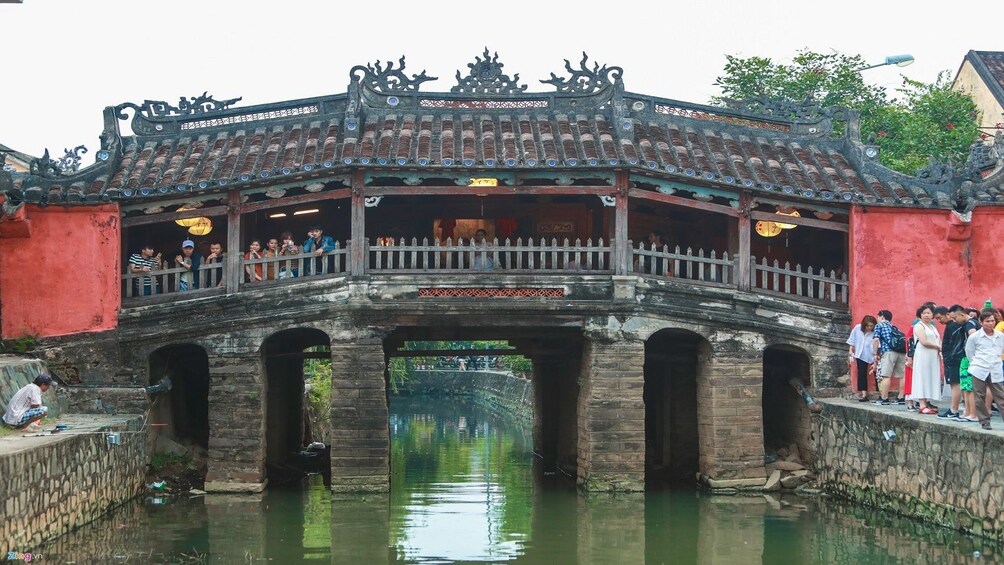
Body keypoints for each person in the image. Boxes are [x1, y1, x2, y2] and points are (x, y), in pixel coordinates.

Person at [964, 310, 1004, 430]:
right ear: (981, 322)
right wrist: (976, 363)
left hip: (995, 367)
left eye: (992, 321)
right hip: (979, 368)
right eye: (987, 321)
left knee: (1001, 395)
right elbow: (969, 352)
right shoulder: (975, 337)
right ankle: (984, 420)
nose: (990, 323)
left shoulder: (1000, 336)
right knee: (979, 396)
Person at [908, 304, 942, 414]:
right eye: (924, 313)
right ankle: (922, 405)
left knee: (929, 376)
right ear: (920, 315)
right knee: (922, 377)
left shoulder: (932, 327)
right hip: (923, 354)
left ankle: (926, 402)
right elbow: (924, 341)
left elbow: (937, 339)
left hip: (932, 355)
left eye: (929, 313)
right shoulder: (919, 326)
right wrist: (938, 347)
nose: (927, 315)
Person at [937, 305, 967, 419]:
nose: (940, 321)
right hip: (955, 358)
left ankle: (954, 409)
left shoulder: (953, 326)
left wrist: (949, 359)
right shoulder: (956, 326)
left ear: (948, 314)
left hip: (953, 359)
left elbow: (954, 344)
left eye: (940, 318)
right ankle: (963, 408)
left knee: (955, 384)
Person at [872, 309, 906, 405]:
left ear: (881, 316)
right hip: (901, 352)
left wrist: (875, 353)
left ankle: (884, 398)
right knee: (901, 376)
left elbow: (875, 340)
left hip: (888, 352)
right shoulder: (895, 327)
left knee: (886, 375)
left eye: (878, 317)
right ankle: (901, 397)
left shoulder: (879, 325)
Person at [846, 315, 877, 401]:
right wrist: (850, 350)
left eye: (872, 326)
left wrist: (877, 354)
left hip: (872, 354)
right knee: (862, 374)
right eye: (868, 326)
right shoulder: (857, 328)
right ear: (864, 325)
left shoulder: (875, 331)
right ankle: (864, 394)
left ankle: (880, 393)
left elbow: (878, 342)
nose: (870, 327)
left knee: (877, 373)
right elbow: (852, 339)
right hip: (860, 354)